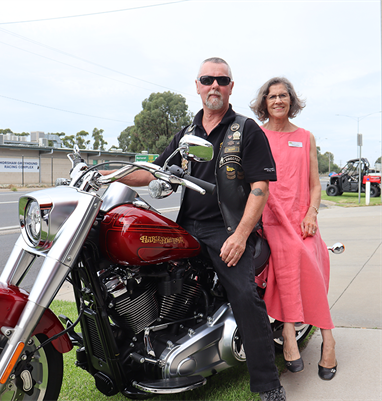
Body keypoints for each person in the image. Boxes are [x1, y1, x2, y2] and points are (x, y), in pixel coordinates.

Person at [103, 58, 286, 401]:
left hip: (226, 228)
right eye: (207, 79)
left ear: (231, 87)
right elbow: (154, 172)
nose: (214, 85)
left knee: (245, 296)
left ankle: (268, 383)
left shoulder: (246, 130)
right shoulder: (187, 134)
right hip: (187, 226)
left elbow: (260, 187)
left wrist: (241, 235)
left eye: (221, 79)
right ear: (198, 85)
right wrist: (107, 174)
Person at [250, 77, 337, 381]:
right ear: (264, 103)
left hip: (302, 219)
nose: (278, 101)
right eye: (272, 96)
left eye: (283, 95)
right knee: (292, 254)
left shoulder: (306, 137)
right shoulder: (257, 136)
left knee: (314, 258)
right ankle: (305, 335)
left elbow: (315, 185)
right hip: (271, 220)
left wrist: (312, 213)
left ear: (291, 100)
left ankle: (305, 335)